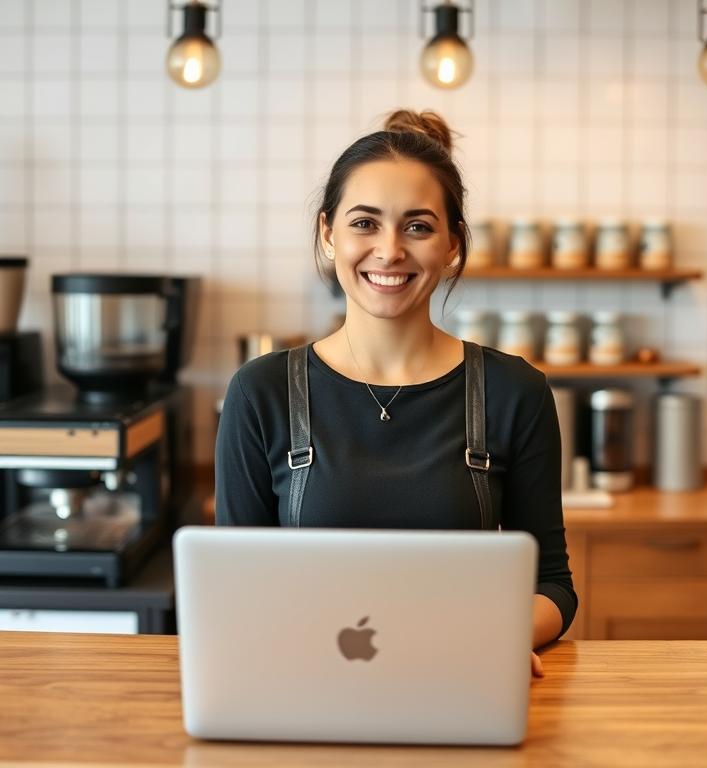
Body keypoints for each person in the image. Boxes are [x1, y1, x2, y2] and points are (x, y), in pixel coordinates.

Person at [215, 109, 577, 677]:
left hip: (457, 684)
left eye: (417, 226)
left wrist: (496, 635)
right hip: (304, 687)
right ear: (327, 234)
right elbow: (234, 588)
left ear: (452, 244)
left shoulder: (515, 391)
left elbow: (552, 587)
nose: (389, 251)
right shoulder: (261, 392)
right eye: (364, 223)